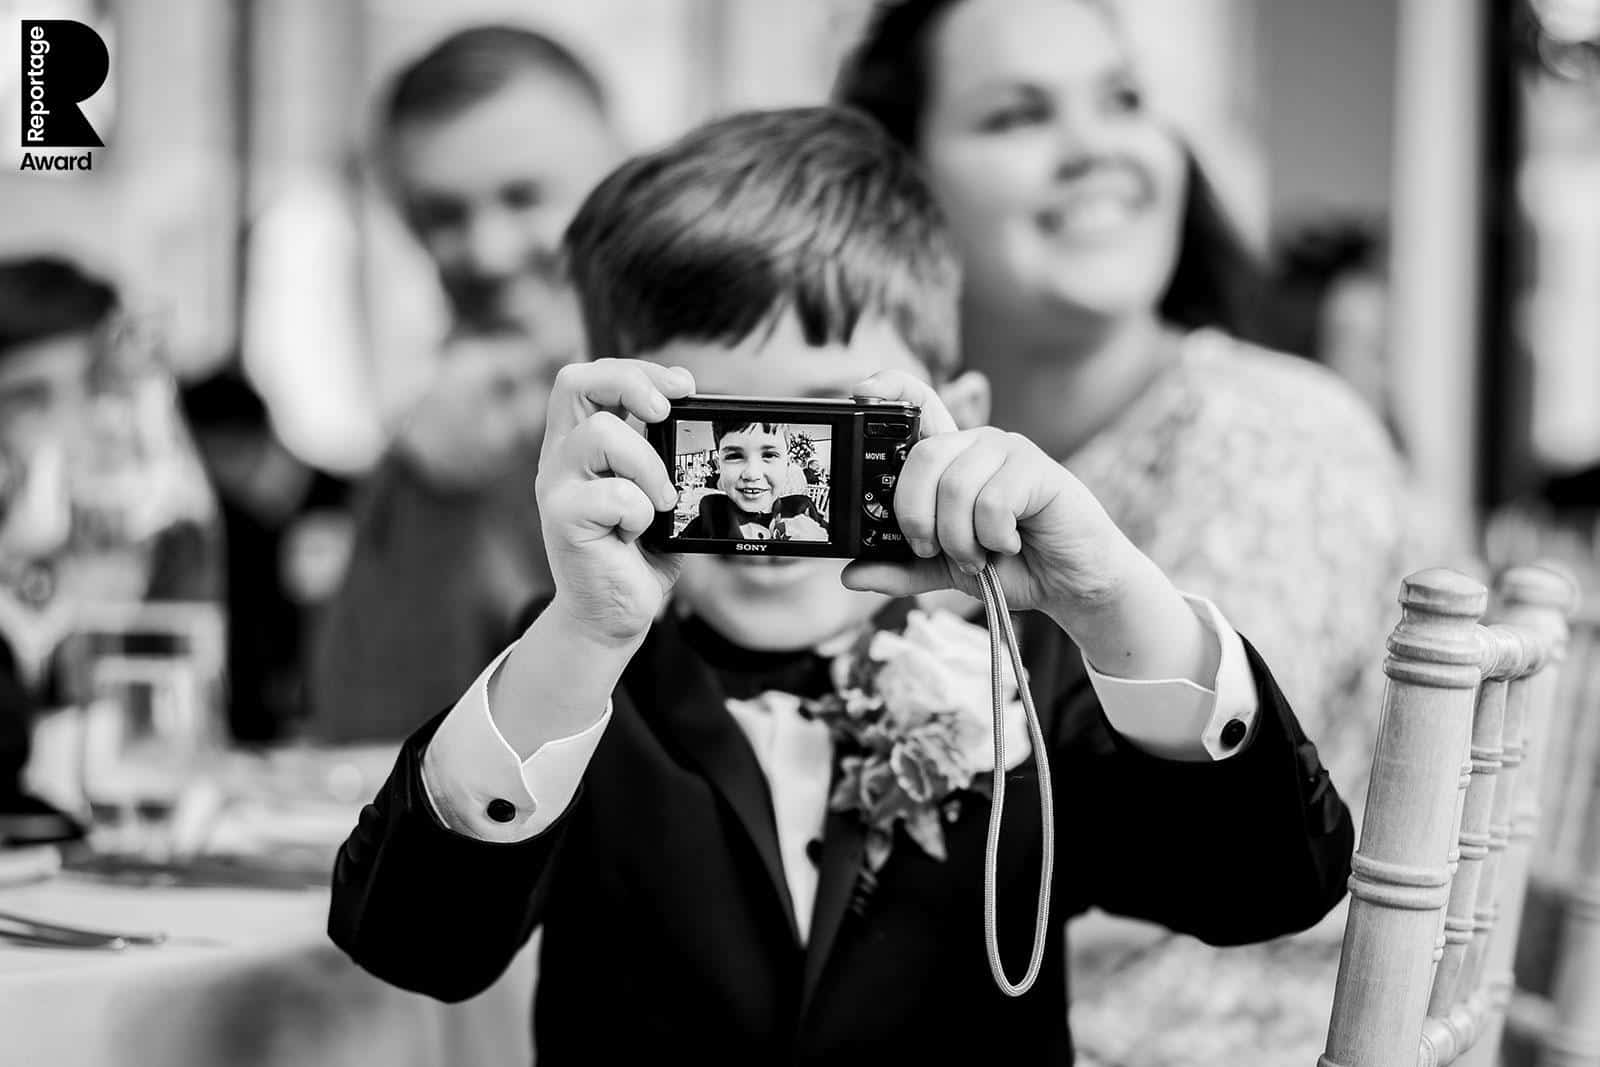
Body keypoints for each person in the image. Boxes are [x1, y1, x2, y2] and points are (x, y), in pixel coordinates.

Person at [328, 106, 1354, 1065]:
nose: (770, 489)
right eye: (718, 436)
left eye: (828, 432)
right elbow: (414, 944)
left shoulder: (1027, 664)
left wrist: (1115, 602)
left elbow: (1273, 885)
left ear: (951, 416)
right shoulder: (579, 676)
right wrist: (579, 639)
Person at [832, 2, 1425, 1062]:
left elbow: (1173, 847)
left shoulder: (1270, 439)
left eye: (1123, 98)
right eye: (1019, 114)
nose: (1096, 147)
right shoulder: (910, 469)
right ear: (900, 192)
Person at [307, 25, 623, 742]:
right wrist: (429, 485)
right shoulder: (432, 442)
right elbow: (366, 737)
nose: (486, 251)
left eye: (524, 196)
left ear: (618, 169)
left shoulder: (722, 384)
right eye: (442, 215)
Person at [677, 421, 829, 542]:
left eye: (769, 455)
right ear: (719, 465)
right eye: (734, 456)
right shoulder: (710, 517)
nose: (752, 474)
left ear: (787, 463)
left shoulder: (802, 508)